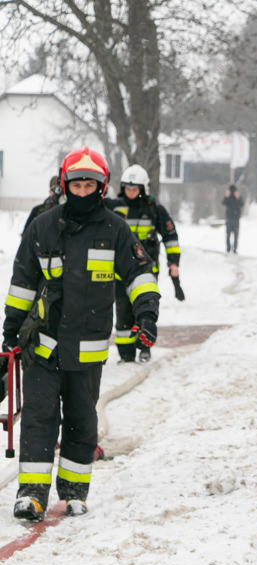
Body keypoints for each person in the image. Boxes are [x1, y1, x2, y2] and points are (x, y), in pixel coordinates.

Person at [2, 146, 160, 521]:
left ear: (102, 187)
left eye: (91, 185)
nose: (83, 191)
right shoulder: (43, 226)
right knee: (39, 419)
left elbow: (140, 275)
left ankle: (74, 493)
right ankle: (32, 495)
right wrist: (10, 329)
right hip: (41, 344)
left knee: (81, 421)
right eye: (78, 184)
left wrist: (147, 314)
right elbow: (22, 282)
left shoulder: (115, 230)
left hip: (86, 349)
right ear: (66, 184)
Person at [104, 164, 182, 364]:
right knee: (123, 312)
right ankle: (126, 354)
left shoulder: (154, 210)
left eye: (135, 188)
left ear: (143, 189)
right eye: (128, 188)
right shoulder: (113, 207)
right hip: (120, 272)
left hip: (147, 271)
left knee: (145, 310)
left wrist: (174, 263)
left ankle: (145, 348)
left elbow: (170, 237)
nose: (131, 192)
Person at [222, 185, 243, 253]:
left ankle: (235, 248)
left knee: (236, 235)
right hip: (229, 218)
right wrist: (227, 196)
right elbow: (224, 202)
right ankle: (228, 248)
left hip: (236, 218)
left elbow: (241, 204)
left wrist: (238, 197)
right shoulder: (228, 198)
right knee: (228, 234)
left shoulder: (238, 197)